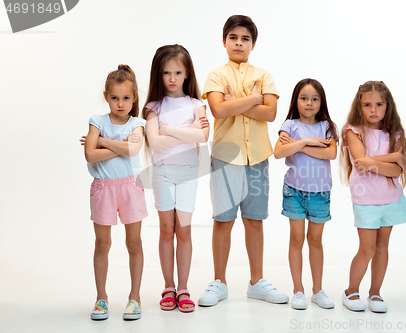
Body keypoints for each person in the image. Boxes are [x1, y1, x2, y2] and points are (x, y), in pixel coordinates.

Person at [198, 14, 288, 306]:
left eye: (245, 38)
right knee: (223, 220)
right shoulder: (216, 74)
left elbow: (271, 113)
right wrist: (253, 99)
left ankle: (256, 281)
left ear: (253, 44)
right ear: (224, 41)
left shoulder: (264, 75)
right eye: (233, 37)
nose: (239, 43)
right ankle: (220, 282)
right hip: (225, 157)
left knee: (254, 220)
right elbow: (218, 111)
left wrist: (235, 102)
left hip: (258, 157)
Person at [142, 44, 209, 313]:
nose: (172, 78)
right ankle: (168, 286)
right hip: (162, 173)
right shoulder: (153, 106)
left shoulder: (196, 105)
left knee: (184, 230)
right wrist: (185, 130)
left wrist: (169, 129)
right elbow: (155, 143)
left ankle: (183, 288)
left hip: (187, 174)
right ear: (158, 75)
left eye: (178, 72)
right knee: (166, 229)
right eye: (166, 72)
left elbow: (203, 137)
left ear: (187, 74)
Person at [82, 65, 147, 320]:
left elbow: (133, 150)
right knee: (102, 244)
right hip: (103, 189)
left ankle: (135, 297)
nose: (120, 104)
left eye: (126, 98)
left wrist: (103, 141)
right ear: (106, 96)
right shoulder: (96, 121)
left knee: (134, 243)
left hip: (130, 187)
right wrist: (118, 146)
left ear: (134, 98)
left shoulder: (137, 123)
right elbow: (89, 154)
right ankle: (101, 298)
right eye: (115, 98)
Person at [340, 81, 406, 313]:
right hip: (366, 199)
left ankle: (375, 293)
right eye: (367, 105)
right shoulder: (354, 131)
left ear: (387, 106)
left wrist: (373, 162)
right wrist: (392, 158)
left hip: (391, 199)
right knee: (367, 248)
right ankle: (351, 290)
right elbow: (360, 163)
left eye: (379, 104)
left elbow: (397, 171)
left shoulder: (395, 133)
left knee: (382, 247)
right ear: (359, 107)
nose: (373, 109)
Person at [274, 79, 338, 310]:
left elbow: (331, 154)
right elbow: (279, 152)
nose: (309, 103)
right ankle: (298, 290)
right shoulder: (289, 125)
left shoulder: (327, 126)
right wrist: (309, 141)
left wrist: (298, 145)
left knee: (316, 241)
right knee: (297, 239)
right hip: (294, 191)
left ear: (321, 102)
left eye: (314, 99)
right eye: (304, 98)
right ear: (296, 101)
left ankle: (318, 290)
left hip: (320, 193)